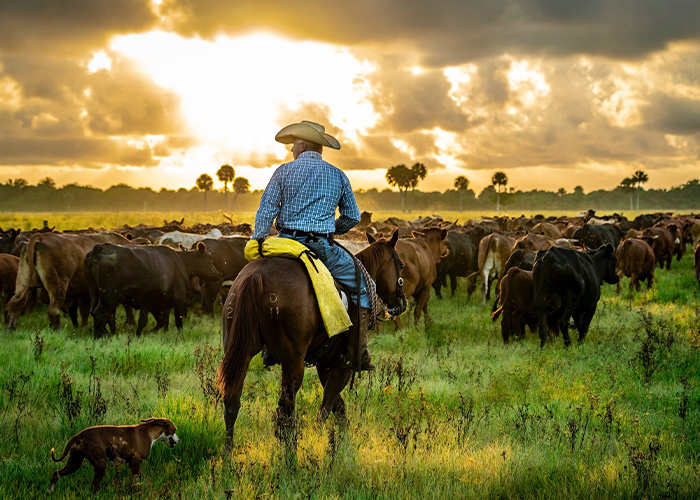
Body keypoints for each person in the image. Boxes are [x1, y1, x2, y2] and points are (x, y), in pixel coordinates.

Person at [251, 120, 375, 371]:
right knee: (365, 286)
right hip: (321, 248)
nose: (291, 150)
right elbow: (352, 216)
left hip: (285, 244)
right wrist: (330, 229)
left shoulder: (283, 172)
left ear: (304, 144)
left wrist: (259, 239)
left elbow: (266, 210)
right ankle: (356, 352)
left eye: (294, 144)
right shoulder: (337, 175)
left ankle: (267, 346)